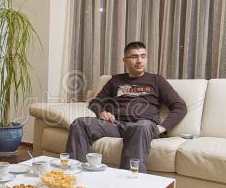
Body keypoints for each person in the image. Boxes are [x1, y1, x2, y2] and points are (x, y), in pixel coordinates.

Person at [66, 41, 187, 173]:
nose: (139, 60)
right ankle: (75, 176)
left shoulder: (156, 80)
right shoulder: (115, 80)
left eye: (143, 56)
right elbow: (95, 102)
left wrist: (162, 128)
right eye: (134, 57)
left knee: (140, 126)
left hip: (144, 126)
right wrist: (101, 112)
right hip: (117, 125)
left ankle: (129, 182)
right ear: (125, 60)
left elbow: (180, 107)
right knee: (80, 123)